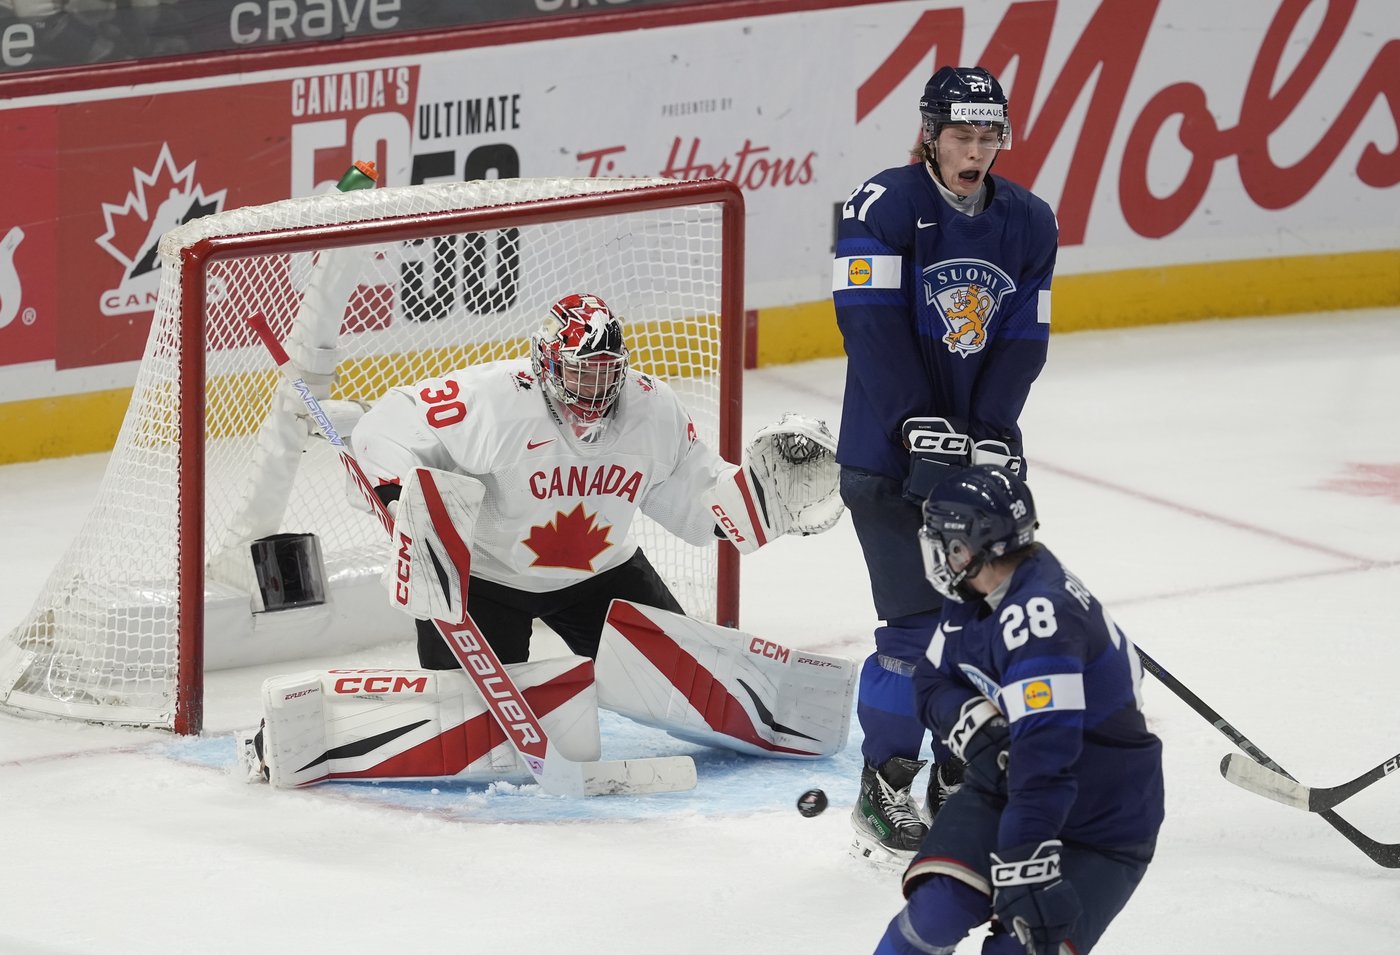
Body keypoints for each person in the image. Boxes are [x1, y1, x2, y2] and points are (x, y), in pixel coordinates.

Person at [349, 291, 844, 669]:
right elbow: (392, 421)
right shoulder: (492, 400)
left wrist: (761, 502)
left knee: (690, 677)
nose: (596, 388)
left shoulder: (652, 409)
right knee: (466, 715)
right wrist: (394, 495)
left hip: (600, 574)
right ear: (546, 364)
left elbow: (694, 488)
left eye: (607, 373)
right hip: (487, 579)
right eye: (581, 373)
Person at [832, 64, 1058, 866]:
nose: (976, 149)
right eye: (962, 134)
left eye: (989, 134)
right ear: (930, 133)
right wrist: (914, 428)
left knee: (983, 630)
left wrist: (991, 430)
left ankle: (959, 780)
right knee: (911, 632)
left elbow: (1023, 338)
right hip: (881, 462)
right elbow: (867, 321)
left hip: (973, 465)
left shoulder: (1029, 220)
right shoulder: (883, 204)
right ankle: (883, 782)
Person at [871, 464, 1163, 954]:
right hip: (1013, 788)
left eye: (945, 539)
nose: (938, 552)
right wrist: (980, 728)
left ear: (969, 546)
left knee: (1020, 948)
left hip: (1101, 817)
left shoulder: (1040, 620)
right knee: (935, 913)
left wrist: (1027, 861)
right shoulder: (975, 591)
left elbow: (1047, 762)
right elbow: (930, 682)